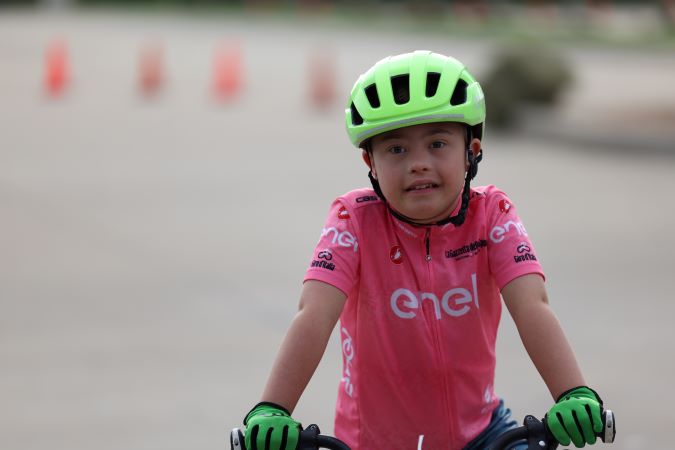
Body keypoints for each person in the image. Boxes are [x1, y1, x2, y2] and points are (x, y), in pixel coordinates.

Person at [241, 51, 606, 450]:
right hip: (370, 441)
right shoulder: (353, 222)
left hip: (483, 434)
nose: (418, 164)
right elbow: (314, 315)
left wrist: (572, 392)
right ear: (370, 162)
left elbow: (533, 305)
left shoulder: (493, 214)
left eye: (437, 143)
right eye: (396, 150)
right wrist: (274, 407)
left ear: (473, 151)